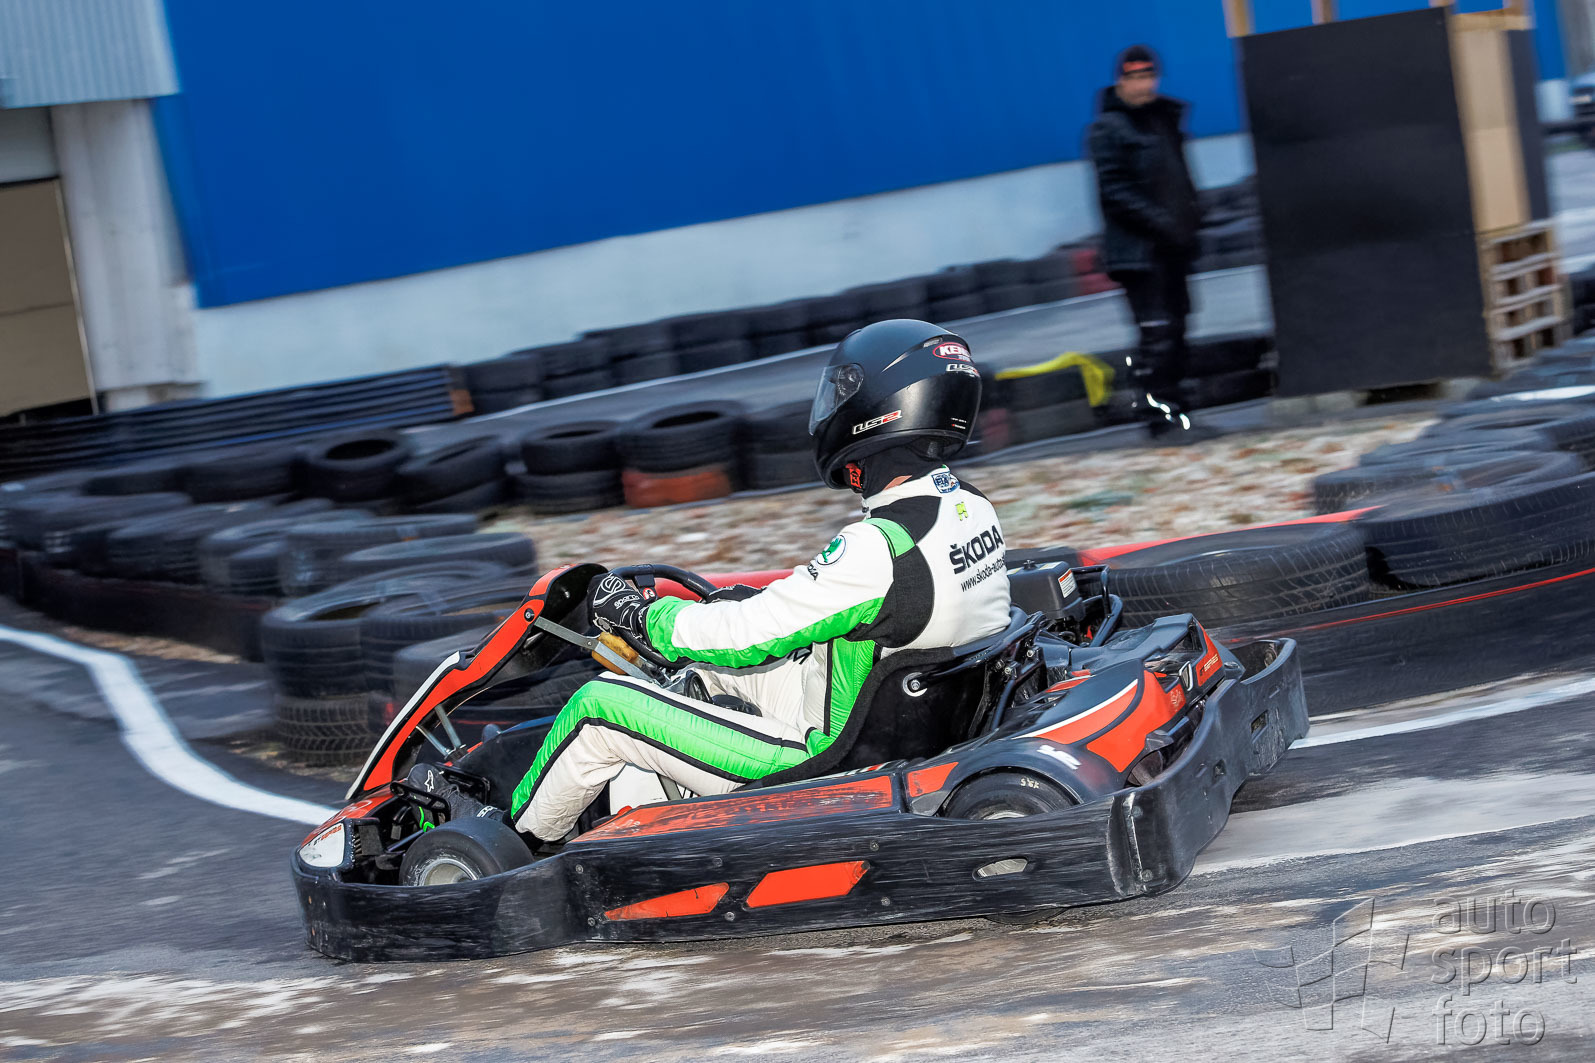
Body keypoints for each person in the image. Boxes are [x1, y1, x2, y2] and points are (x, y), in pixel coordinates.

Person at [505, 319, 1013, 844]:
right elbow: (839, 607)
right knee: (698, 671)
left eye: (843, 393)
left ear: (880, 409)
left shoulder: (877, 548)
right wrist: (740, 606)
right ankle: (645, 812)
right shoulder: (970, 507)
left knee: (597, 707)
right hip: (894, 723)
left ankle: (512, 850)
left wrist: (640, 616)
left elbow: (744, 637)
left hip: (826, 759)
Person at [1087, 44, 1202, 439]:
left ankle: (1180, 416)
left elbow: (1181, 181)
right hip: (1138, 253)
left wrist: (1192, 220)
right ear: (1120, 81)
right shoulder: (1108, 129)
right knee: (1157, 334)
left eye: (1148, 76)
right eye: (1134, 77)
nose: (1143, 84)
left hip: (1174, 248)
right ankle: (1159, 420)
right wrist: (1163, 222)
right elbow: (1114, 191)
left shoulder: (1163, 120)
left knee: (1179, 330)